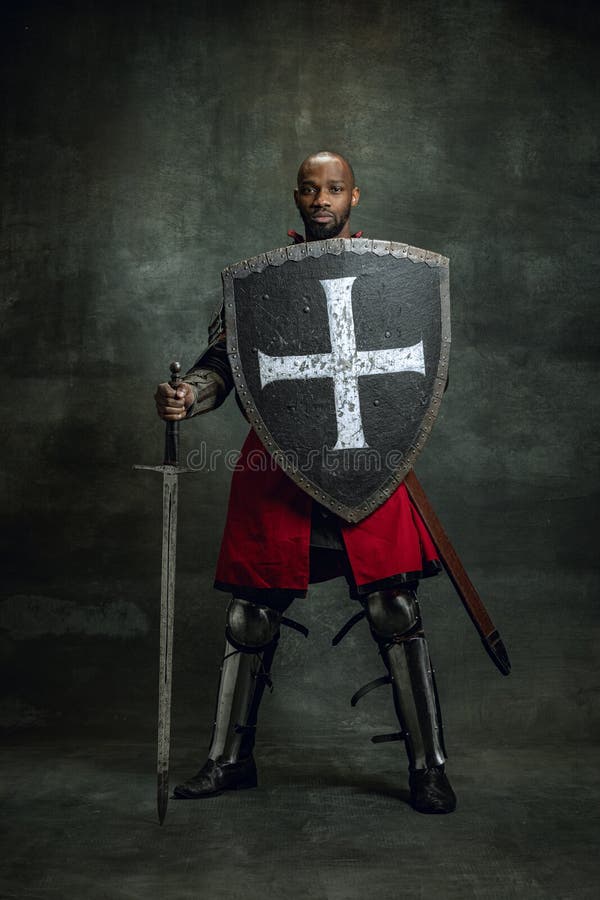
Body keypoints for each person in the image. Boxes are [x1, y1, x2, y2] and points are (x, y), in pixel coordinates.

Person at [154, 151, 457, 814]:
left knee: (395, 608)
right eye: (311, 189)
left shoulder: (385, 275)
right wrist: (189, 394)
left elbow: (412, 371)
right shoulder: (265, 284)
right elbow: (221, 366)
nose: (322, 199)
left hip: (365, 462)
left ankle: (427, 767)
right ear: (297, 196)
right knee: (250, 616)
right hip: (280, 467)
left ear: (354, 198)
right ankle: (230, 760)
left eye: (335, 189)